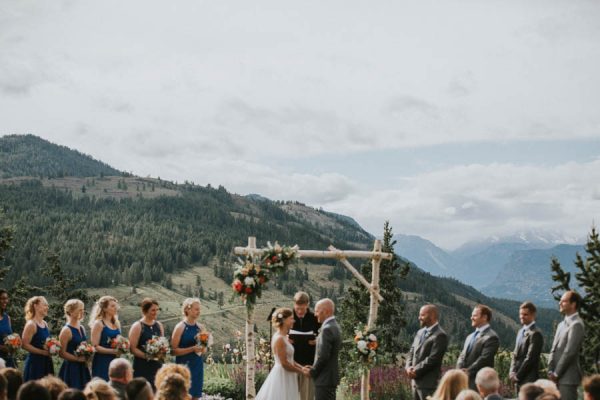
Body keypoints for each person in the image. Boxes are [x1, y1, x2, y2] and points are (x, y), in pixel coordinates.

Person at [256, 307, 304, 400]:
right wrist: (302, 371)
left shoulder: (284, 337)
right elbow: (284, 363)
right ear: (284, 320)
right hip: (282, 376)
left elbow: (290, 360)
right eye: (291, 318)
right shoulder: (279, 339)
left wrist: (302, 368)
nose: (293, 321)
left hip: (289, 375)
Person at [548, 290, 585, 400]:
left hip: (567, 379)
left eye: (563, 301)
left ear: (573, 304)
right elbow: (554, 349)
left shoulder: (577, 324)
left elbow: (570, 352)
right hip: (555, 377)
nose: (560, 303)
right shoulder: (560, 325)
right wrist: (550, 371)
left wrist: (556, 374)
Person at [406, 304, 449, 400]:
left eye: (422, 315)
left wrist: (415, 370)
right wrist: (408, 368)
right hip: (415, 383)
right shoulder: (419, 332)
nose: (419, 318)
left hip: (428, 385)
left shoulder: (440, 335)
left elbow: (433, 359)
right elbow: (411, 352)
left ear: (432, 316)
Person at [303, 298, 342, 400]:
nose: (315, 314)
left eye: (317, 311)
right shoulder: (334, 326)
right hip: (328, 378)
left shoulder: (327, 329)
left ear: (326, 311)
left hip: (324, 379)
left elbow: (323, 356)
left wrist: (312, 371)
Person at [457, 305, 500, 389]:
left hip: (479, 383)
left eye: (474, 315)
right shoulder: (469, 337)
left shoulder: (491, 337)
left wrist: (468, 372)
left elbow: (484, 358)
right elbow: (462, 355)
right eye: (472, 315)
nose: (471, 318)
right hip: (463, 381)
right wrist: (459, 371)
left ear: (484, 317)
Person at [172, 298, 205, 400]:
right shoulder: (180, 327)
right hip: (184, 368)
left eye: (199, 309)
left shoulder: (201, 328)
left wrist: (203, 349)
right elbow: (173, 351)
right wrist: (192, 349)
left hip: (197, 366)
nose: (198, 312)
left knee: (196, 396)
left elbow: (204, 348)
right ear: (187, 310)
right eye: (196, 309)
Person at [129, 298, 164, 389]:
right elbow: (132, 349)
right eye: (153, 310)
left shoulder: (159, 325)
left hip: (157, 365)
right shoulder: (138, 326)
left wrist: (162, 352)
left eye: (157, 310)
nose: (156, 312)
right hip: (142, 366)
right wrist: (148, 356)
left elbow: (162, 344)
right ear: (145, 310)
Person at [290, 292, 320, 400]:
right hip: (291, 363)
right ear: (294, 304)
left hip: (309, 363)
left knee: (307, 396)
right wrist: (286, 340)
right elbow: (279, 334)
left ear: (307, 304)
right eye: (297, 308)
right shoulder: (288, 317)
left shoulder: (314, 318)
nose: (299, 311)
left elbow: (323, 335)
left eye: (302, 309)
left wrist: (317, 340)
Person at [510, 302, 543, 390]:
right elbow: (515, 354)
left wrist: (518, 376)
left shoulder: (536, 333)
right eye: (520, 314)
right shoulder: (520, 332)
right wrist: (512, 372)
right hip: (517, 379)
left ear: (533, 315)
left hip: (529, 379)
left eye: (525, 314)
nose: (522, 316)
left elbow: (530, 358)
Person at [58, 299, 91, 390]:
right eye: (80, 310)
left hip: (82, 367)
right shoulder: (66, 330)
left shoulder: (82, 327)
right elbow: (61, 353)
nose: (83, 312)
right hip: (71, 369)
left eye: (83, 309)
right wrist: (77, 359)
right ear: (71, 312)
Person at [21, 296, 54, 381]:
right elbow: (24, 345)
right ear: (35, 306)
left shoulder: (45, 323)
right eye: (44, 305)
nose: (47, 307)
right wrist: (42, 352)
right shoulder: (31, 324)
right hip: (35, 364)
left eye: (47, 306)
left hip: (46, 363)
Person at [90, 296, 121, 381]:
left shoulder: (116, 323)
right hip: (102, 361)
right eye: (112, 306)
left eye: (116, 305)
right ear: (104, 308)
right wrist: (112, 351)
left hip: (115, 360)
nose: (116, 308)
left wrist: (123, 346)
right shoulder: (99, 324)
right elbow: (95, 346)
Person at [0, 290, 17, 368]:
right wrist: (2, 348)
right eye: (3, 298)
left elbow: (10, 336)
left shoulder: (7, 318)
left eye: (6, 298)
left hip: (8, 359)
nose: (5, 301)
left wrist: (15, 343)